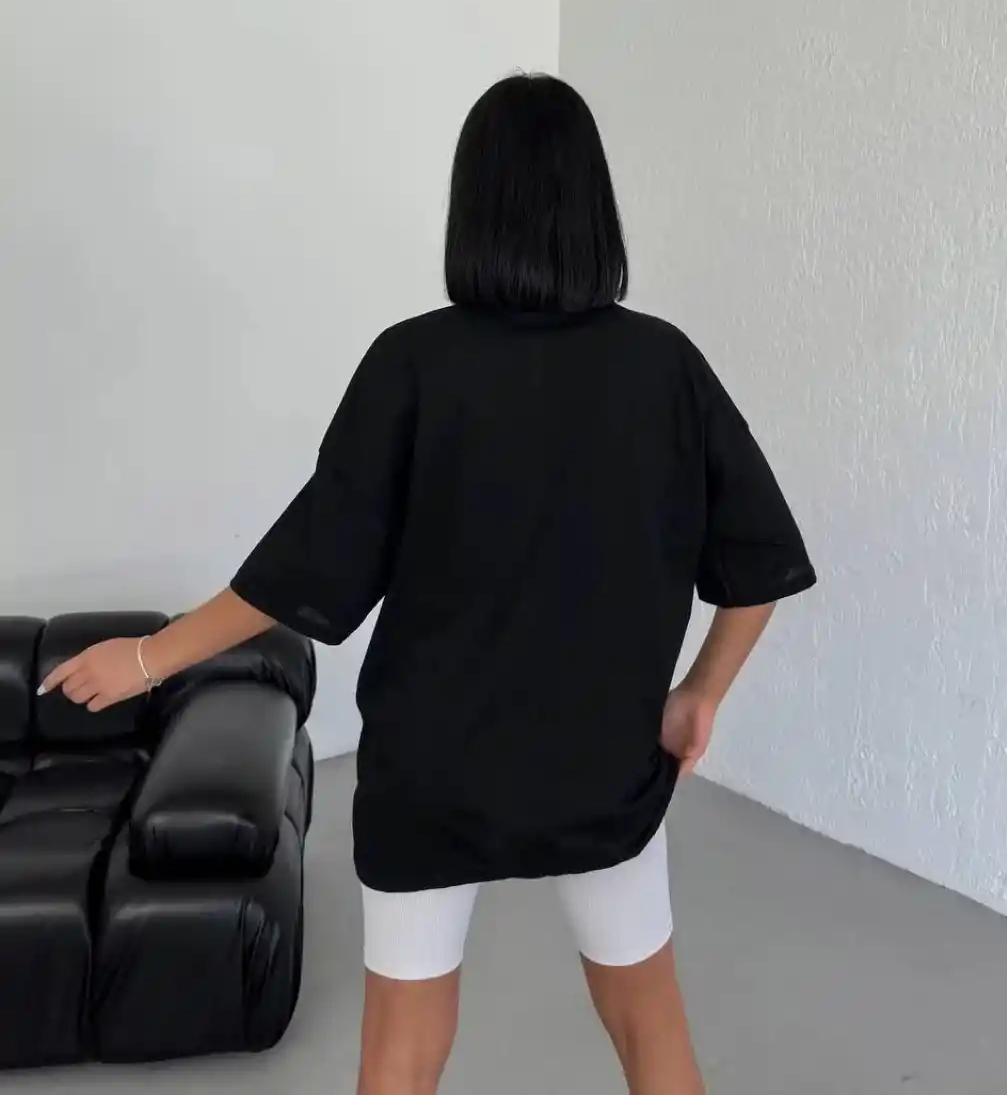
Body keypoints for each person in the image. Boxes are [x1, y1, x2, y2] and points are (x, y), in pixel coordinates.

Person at [40, 72, 816, 1095]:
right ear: (594, 206)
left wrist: (147, 657)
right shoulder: (664, 367)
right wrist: (698, 696)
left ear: (473, 205)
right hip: (605, 767)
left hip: (430, 777)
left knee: (401, 1052)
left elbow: (303, 566)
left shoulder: (411, 364)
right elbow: (761, 563)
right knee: (648, 1025)